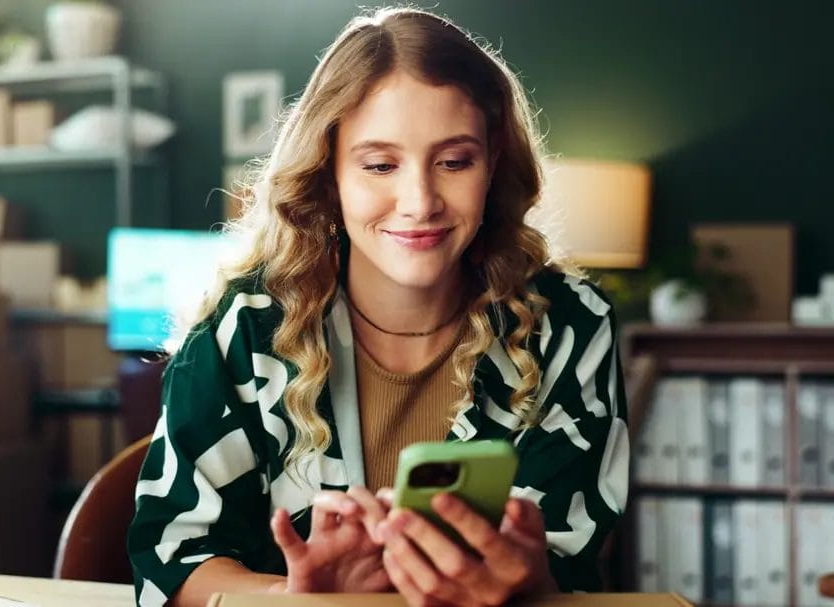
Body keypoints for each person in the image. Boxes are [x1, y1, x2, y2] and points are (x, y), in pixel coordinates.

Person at [127, 6, 629, 607]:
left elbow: (568, 567)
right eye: (380, 165)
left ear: (492, 165)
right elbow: (173, 565)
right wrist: (297, 598)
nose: (418, 202)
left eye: (453, 161)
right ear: (328, 171)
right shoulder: (243, 328)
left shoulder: (570, 325)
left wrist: (528, 581)